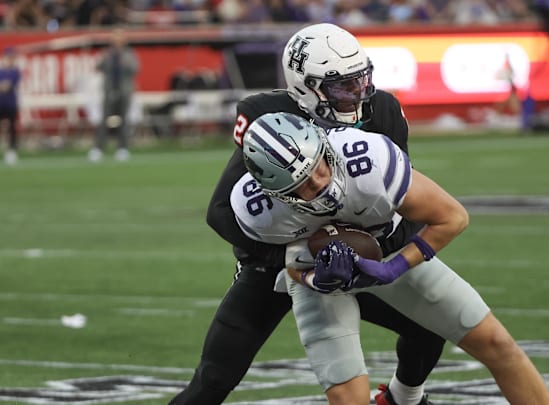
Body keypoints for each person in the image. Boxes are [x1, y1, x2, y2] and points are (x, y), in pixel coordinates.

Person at [170, 23, 445, 405]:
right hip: (275, 267)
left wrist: (369, 252)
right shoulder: (271, 120)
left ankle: (402, 399)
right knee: (215, 379)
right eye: (342, 87)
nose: (358, 95)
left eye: (361, 81)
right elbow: (221, 212)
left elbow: (405, 201)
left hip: (352, 261)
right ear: (305, 86)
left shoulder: (381, 111)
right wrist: (292, 257)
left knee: (430, 326)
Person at [231, 111, 549, 405]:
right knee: (350, 399)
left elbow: (452, 217)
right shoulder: (257, 212)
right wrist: (318, 278)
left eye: (319, 167)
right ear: (276, 193)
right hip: (319, 281)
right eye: (303, 185)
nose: (321, 183)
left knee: (497, 344)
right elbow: (291, 266)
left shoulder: (367, 158)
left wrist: (395, 267)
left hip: (389, 250)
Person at [89, 28, 139, 162]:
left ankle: (122, 148)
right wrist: (105, 59)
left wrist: (125, 62)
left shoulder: (129, 54)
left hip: (124, 90)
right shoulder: (108, 53)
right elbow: (98, 66)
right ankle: (99, 148)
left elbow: (135, 69)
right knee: (105, 119)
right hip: (109, 90)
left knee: (123, 119)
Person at [0, 47, 21, 166]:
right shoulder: (1, 71)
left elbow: (7, 86)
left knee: (12, 128)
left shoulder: (15, 71)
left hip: (11, 104)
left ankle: (11, 151)